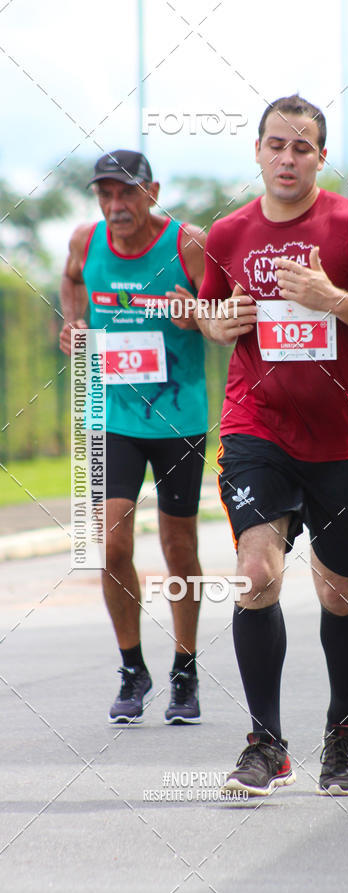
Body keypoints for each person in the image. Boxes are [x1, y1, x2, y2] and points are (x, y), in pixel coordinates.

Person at [185, 95, 348, 795]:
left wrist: (335, 300)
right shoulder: (230, 233)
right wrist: (215, 322)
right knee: (256, 573)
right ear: (257, 151)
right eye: (276, 145)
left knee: (338, 592)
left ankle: (341, 729)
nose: (287, 158)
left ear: (321, 157)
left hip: (344, 441)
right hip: (256, 428)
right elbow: (209, 310)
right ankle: (266, 744)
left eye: (301, 147)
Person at [59, 149, 208, 725]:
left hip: (178, 417)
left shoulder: (187, 244)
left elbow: (223, 311)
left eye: (126, 193)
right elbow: (71, 280)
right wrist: (73, 322)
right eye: (106, 194)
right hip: (110, 414)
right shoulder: (85, 241)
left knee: (179, 547)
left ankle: (185, 670)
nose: (116, 205)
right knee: (112, 543)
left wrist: (196, 313)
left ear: (153, 192)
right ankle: (132, 668)